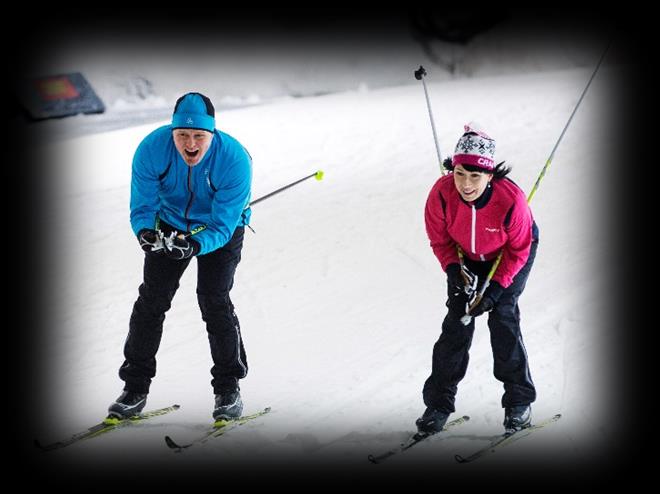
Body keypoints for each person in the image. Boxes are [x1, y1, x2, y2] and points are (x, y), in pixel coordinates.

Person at [108, 92, 252, 422]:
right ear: (171, 132)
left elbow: (223, 222)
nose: (190, 144)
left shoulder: (234, 159)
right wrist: (145, 232)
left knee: (214, 299)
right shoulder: (151, 149)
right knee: (152, 301)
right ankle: (134, 388)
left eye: (198, 136)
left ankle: (228, 388)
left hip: (219, 229)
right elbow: (142, 206)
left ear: (211, 135)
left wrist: (195, 245)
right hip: (170, 223)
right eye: (182, 135)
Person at [416, 123, 539, 435]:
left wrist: (496, 290)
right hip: (465, 257)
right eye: (459, 174)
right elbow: (440, 240)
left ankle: (518, 401)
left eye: (475, 176)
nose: (465, 184)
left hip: (509, 255)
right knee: (457, 322)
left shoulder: (511, 202)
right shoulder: (441, 194)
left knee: (503, 317)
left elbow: (519, 249)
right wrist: (453, 270)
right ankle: (438, 405)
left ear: (490, 175)